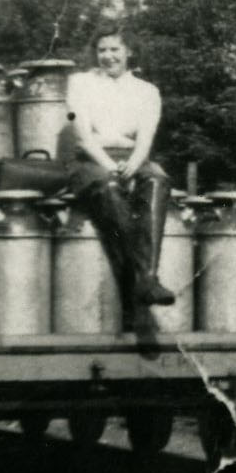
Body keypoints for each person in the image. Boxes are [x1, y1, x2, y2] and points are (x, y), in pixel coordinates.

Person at [64, 23, 175, 306]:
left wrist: (135, 164)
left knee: (158, 180)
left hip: (133, 158)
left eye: (115, 49)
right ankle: (142, 278)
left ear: (128, 52)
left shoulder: (147, 91)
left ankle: (148, 278)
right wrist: (110, 167)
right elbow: (83, 137)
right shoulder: (80, 83)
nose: (108, 56)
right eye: (102, 50)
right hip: (92, 159)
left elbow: (145, 138)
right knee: (110, 186)